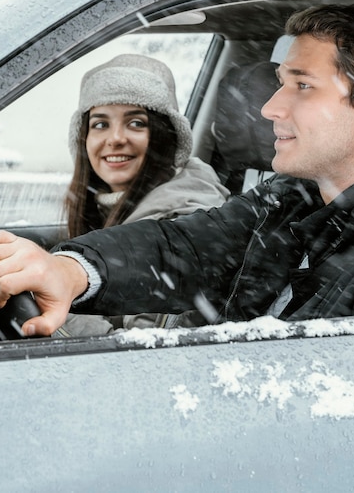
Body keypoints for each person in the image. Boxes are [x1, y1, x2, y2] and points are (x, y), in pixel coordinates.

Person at [0, 4, 354, 337]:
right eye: (279, 83)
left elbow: (339, 415)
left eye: (300, 85)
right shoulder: (298, 195)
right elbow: (184, 249)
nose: (270, 108)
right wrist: (70, 270)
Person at [61, 53, 229, 335]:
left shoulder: (183, 225)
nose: (115, 138)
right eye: (100, 124)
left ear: (165, 135)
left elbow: (145, 351)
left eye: (136, 123)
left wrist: (54, 309)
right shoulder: (113, 206)